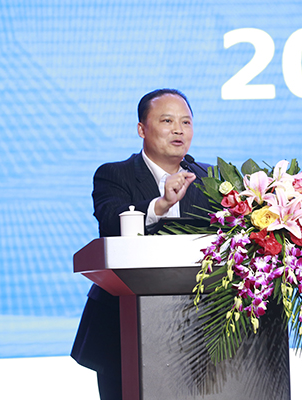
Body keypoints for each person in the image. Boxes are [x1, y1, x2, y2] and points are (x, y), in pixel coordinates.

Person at [71, 89, 211, 400]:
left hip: (200, 331)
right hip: (123, 329)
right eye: (167, 121)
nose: (178, 130)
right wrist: (160, 205)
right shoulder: (114, 174)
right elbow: (111, 220)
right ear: (141, 129)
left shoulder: (208, 177)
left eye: (186, 122)